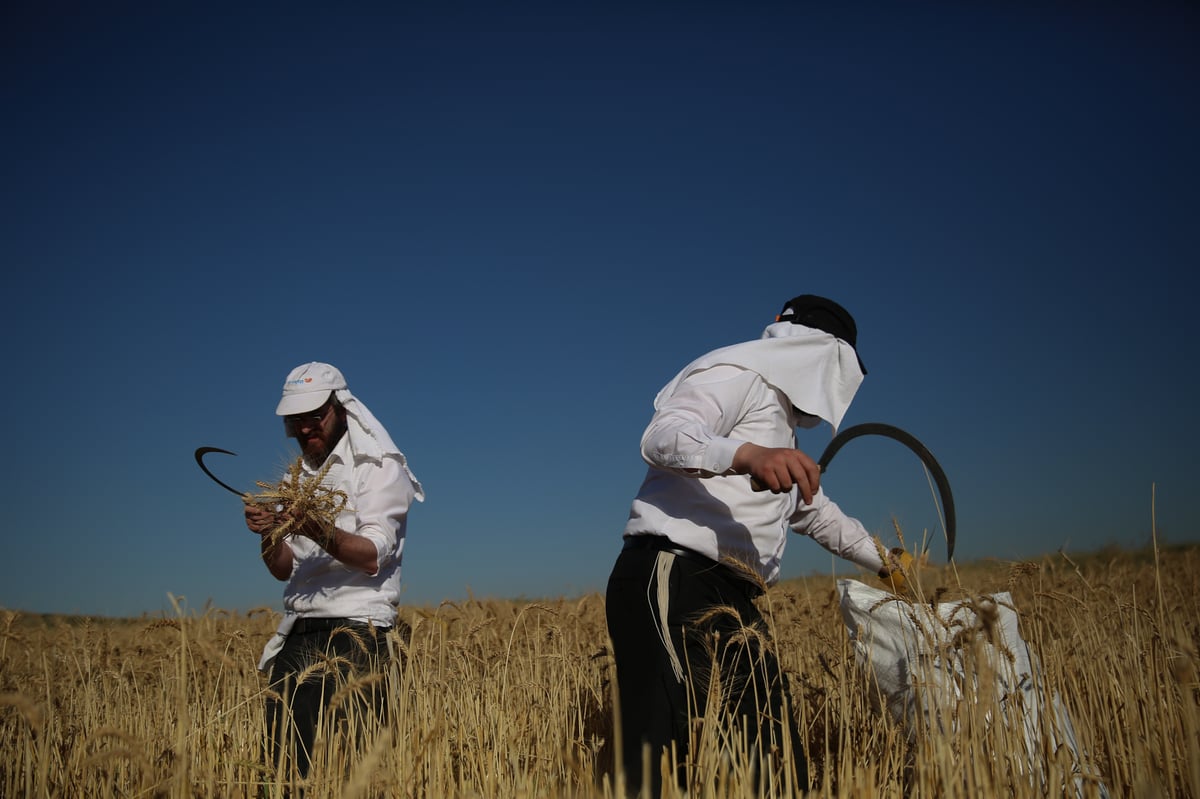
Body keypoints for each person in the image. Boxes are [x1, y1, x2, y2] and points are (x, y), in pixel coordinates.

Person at [605, 295, 898, 796]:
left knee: (770, 755)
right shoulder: (739, 373)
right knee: (661, 746)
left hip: (736, 599)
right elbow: (663, 435)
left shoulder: (782, 432)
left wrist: (888, 563)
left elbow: (816, 512)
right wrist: (746, 456)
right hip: (673, 575)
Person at [244, 361, 424, 782]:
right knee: (283, 771)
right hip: (299, 633)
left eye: (314, 417)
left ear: (341, 407)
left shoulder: (378, 466)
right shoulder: (296, 477)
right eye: (295, 421)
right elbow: (283, 568)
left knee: (355, 773)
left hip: (358, 633)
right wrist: (268, 533)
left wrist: (314, 527)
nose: (305, 428)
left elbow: (372, 555)